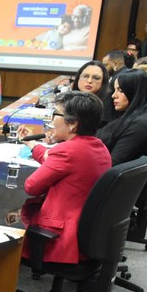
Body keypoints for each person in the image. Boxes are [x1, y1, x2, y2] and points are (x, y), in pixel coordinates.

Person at [20, 91, 111, 263]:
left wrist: (54, 147)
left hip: (58, 236)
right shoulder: (97, 146)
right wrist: (32, 145)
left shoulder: (67, 151)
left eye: (55, 114)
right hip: (87, 232)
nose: (52, 120)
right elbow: (53, 158)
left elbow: (31, 187)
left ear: (73, 124)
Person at [96, 69, 147, 166]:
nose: (113, 95)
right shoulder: (129, 116)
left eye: (120, 90)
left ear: (135, 92)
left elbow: (114, 165)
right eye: (114, 90)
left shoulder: (140, 125)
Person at [71, 60, 110, 125]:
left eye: (96, 78)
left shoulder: (106, 104)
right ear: (78, 78)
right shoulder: (69, 99)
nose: (89, 81)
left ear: (103, 82)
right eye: (85, 76)